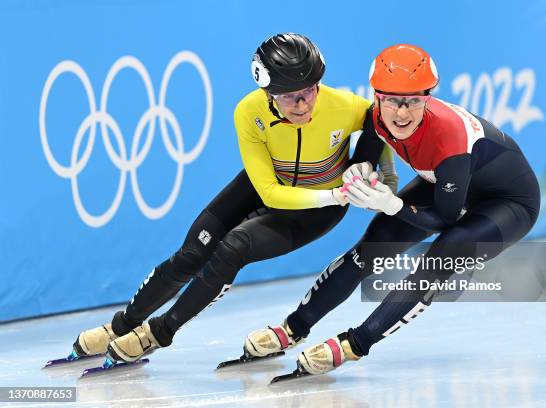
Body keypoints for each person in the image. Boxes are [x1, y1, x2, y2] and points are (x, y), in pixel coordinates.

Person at [70, 33, 397, 365]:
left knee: (233, 248)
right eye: (288, 97)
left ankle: (159, 332)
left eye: (310, 90)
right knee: (191, 255)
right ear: (267, 93)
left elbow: (380, 121)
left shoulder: (344, 106)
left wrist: (383, 171)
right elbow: (269, 191)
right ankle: (120, 326)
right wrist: (335, 193)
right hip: (271, 188)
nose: (303, 104)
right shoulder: (247, 112)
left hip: (314, 213)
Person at [243, 44, 540, 376]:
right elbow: (363, 161)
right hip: (443, 183)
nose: (401, 113)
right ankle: (294, 327)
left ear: (428, 98)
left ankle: (355, 344)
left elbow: (444, 219)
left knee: (439, 259)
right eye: (392, 101)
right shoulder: (376, 117)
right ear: (377, 97)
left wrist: (394, 203)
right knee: (371, 248)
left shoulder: (450, 139)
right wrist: (359, 173)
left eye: (413, 101)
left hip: (507, 203)